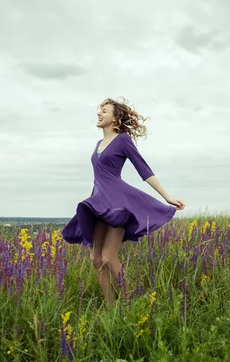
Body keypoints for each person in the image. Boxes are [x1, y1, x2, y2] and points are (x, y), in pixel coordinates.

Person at [62, 97, 185, 307]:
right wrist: (92, 204)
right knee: (96, 260)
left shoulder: (123, 140)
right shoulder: (98, 144)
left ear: (116, 119)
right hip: (99, 202)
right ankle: (112, 310)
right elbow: (99, 177)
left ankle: (134, 304)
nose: (99, 113)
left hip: (118, 204)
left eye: (105, 111)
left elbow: (143, 169)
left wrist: (166, 196)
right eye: (100, 110)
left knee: (109, 259)